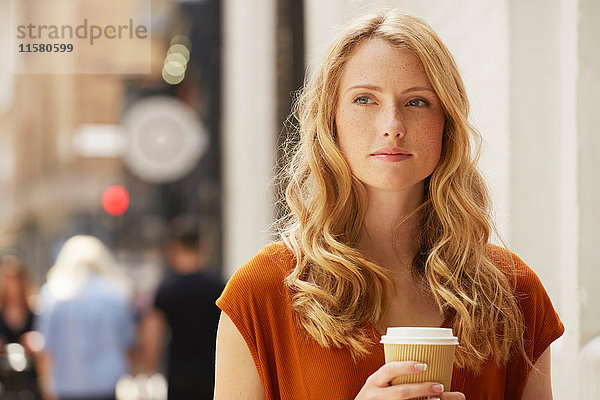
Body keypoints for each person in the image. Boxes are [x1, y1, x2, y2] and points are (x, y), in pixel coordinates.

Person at [214, 11, 564, 400]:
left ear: (446, 122)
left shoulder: (514, 291)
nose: (392, 125)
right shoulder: (261, 293)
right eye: (364, 99)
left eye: (417, 101)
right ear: (331, 121)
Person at [35, 235, 135, 400]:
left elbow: (46, 347)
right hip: (106, 384)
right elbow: (127, 343)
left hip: (67, 384)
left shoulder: (54, 295)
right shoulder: (116, 295)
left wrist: (46, 384)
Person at [139, 216, 223, 399]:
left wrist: (148, 371)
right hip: (214, 373)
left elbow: (153, 335)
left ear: (174, 247)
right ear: (203, 246)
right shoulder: (219, 287)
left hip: (179, 376)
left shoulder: (166, 290)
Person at [0, 255, 42, 399]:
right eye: (8, 280)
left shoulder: (36, 310)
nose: (12, 286)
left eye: (15, 280)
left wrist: (36, 341)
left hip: (31, 380)